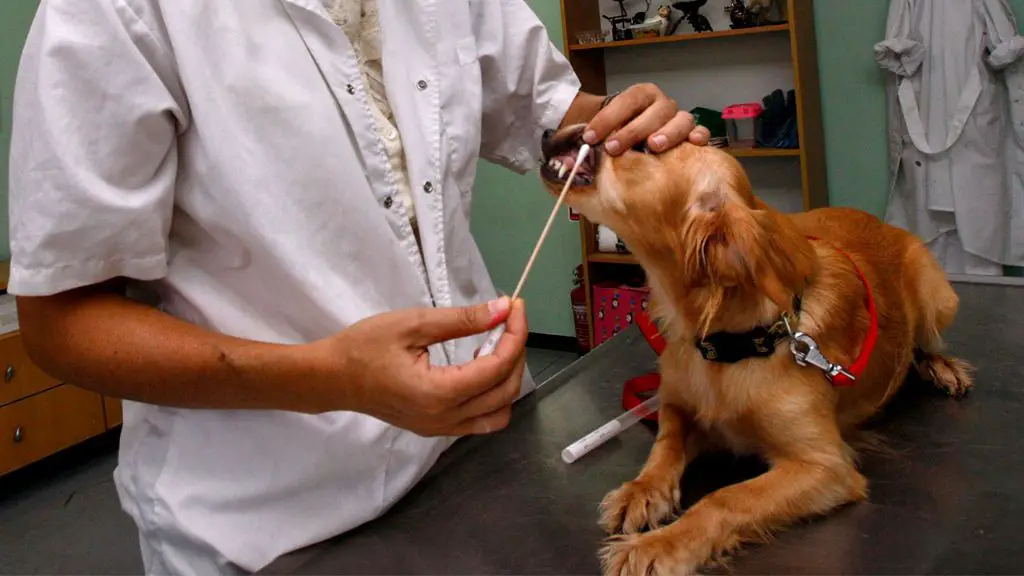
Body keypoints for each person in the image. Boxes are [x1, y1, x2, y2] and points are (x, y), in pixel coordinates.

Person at [7, 0, 709, 573]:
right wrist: (332, 379)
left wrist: (624, 120)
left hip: (484, 456)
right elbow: (62, 321)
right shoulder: (115, 12)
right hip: (273, 525)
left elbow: (556, 113)